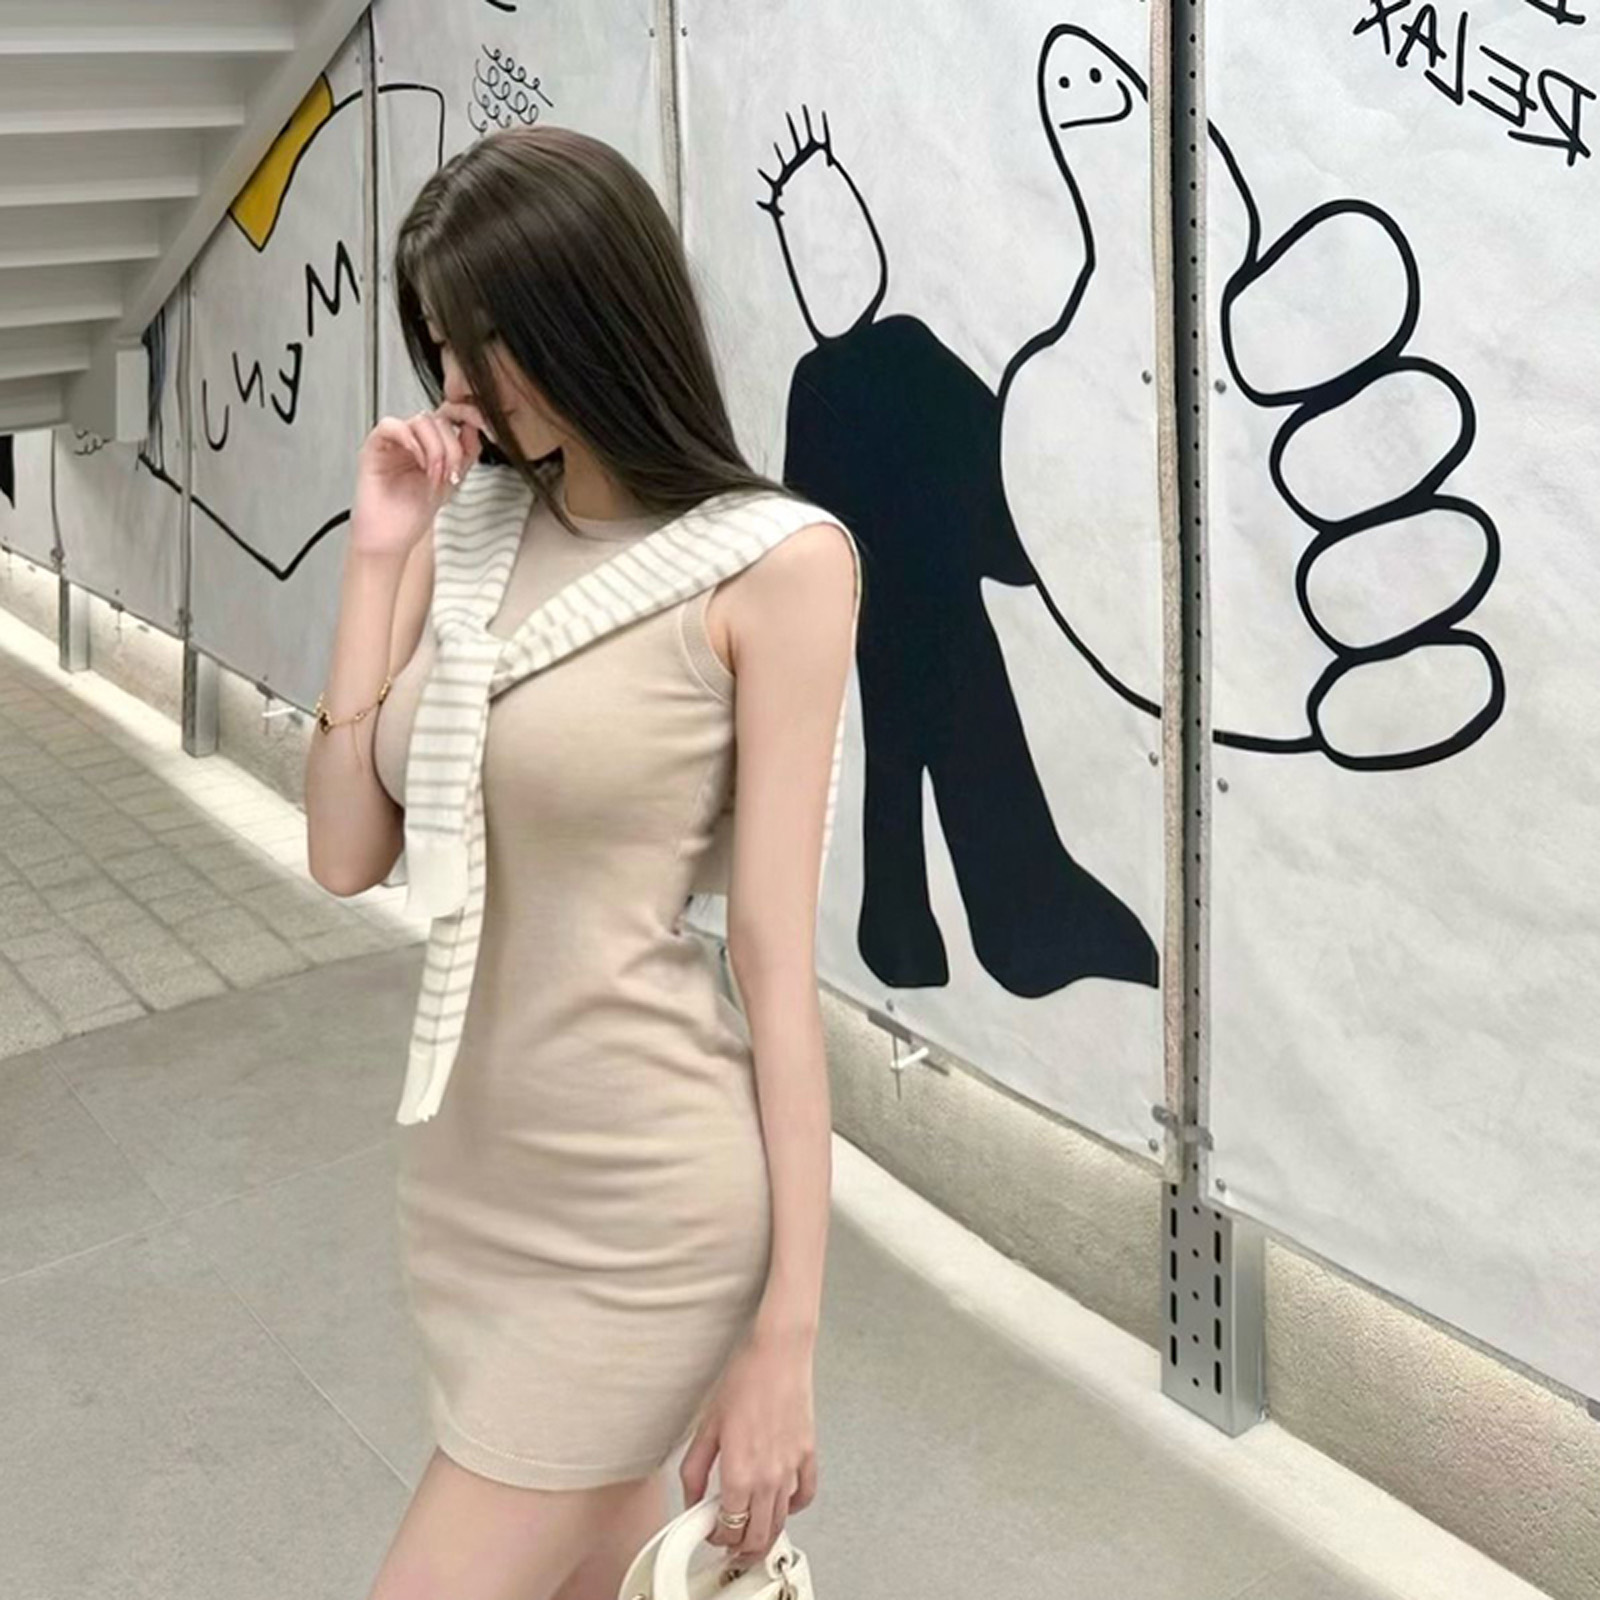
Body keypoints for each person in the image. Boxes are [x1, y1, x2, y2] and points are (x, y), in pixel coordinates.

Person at [302, 125, 860, 1600]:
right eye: (437, 342)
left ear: (592, 319)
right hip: (469, 1184)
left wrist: (786, 1340)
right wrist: (379, 554)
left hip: (641, 1206)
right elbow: (346, 850)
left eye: (486, 340)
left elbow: (775, 971)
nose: (458, 385)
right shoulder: (469, 531)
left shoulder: (777, 565)